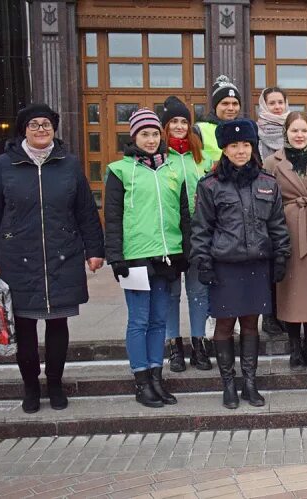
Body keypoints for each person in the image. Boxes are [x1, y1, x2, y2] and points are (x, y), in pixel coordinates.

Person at [0, 103, 105, 413]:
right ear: (24, 129)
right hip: (17, 257)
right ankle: (31, 387)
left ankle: (56, 383)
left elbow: (86, 211)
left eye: (46, 124)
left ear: (54, 129)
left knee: (58, 322)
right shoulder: (4, 165)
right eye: (34, 124)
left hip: (61, 254)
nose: (41, 130)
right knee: (24, 327)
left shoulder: (68, 164)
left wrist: (95, 250)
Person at [191, 119, 291, 409]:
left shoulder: (267, 183)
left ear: (253, 147)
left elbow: (277, 225)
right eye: (234, 146)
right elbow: (201, 228)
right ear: (224, 149)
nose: (240, 151)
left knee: (250, 325)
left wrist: (281, 255)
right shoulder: (210, 185)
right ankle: (228, 385)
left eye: (245, 145)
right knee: (224, 325)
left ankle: (249, 382)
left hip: (257, 265)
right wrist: (204, 263)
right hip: (225, 266)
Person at [105, 108, 189, 408]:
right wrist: (116, 257)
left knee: (158, 322)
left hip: (167, 257)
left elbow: (183, 216)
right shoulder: (119, 171)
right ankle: (141, 380)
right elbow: (112, 218)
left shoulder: (172, 170)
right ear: (134, 137)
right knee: (139, 321)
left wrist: (185, 252)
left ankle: (156, 377)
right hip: (136, 259)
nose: (151, 140)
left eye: (155, 134)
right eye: (145, 134)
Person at [263, 111, 307, 371]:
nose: (299, 135)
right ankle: (295, 347)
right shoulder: (273, 162)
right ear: (286, 132)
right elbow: (267, 200)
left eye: (304, 130)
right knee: (292, 292)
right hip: (287, 232)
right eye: (294, 130)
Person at [160, 96, 213, 373]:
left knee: (198, 291)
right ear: (164, 127)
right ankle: (173, 345)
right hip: (168, 235)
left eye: (184, 121)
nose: (180, 126)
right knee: (170, 293)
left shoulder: (202, 159)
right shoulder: (158, 159)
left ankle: (199, 342)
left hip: (198, 233)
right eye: (174, 122)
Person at [196, 75, 242, 161]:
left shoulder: (245, 129)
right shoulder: (200, 130)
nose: (231, 108)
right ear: (215, 106)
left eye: (235, 104)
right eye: (225, 103)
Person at [257, 86, 290, 160]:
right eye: (272, 103)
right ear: (264, 105)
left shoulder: (295, 127)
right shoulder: (255, 129)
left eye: (280, 102)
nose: (277, 107)